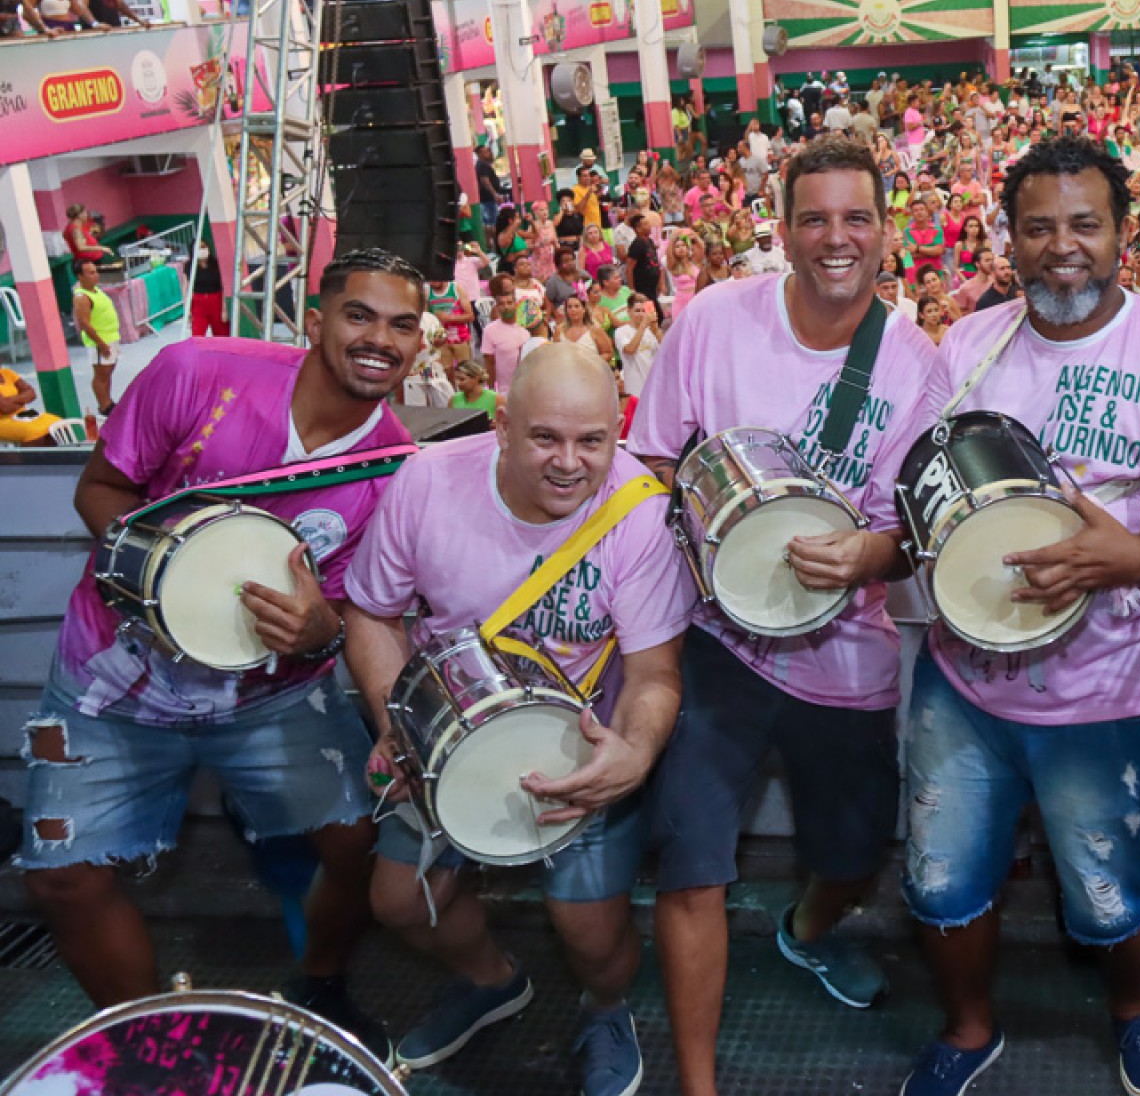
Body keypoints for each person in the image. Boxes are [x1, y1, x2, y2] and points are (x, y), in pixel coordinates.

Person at [19, 250, 426, 1061]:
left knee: (360, 843)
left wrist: (325, 634)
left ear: (420, 344)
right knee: (60, 875)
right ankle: (152, 1042)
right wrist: (173, 570)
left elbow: (356, 608)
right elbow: (97, 489)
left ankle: (320, 984)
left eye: (402, 324)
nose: (379, 338)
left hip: (273, 698)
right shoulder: (195, 371)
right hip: (110, 681)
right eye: (359, 315)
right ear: (315, 322)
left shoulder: (396, 472)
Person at [897, 135, 1140, 1096]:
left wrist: (1108, 558)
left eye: (1085, 224)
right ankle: (968, 1028)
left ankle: (1134, 1009)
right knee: (941, 874)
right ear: (1010, 237)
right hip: (964, 677)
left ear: (1124, 235)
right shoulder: (970, 345)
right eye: (1037, 227)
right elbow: (915, 486)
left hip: (1108, 687)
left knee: (1111, 879)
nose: (1061, 246)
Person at [629, 137, 937, 1096]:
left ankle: (805, 932)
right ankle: (696, 1083)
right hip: (715, 647)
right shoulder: (717, 318)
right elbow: (647, 464)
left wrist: (867, 556)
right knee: (691, 863)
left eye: (855, 218)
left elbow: (911, 532)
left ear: (887, 232)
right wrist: (693, 547)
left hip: (845, 656)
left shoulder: (915, 364)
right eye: (814, 217)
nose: (834, 238)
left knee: (853, 854)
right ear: (783, 227)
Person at [345, 343, 693, 1096]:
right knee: (400, 902)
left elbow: (655, 673)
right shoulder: (429, 481)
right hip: (445, 739)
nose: (569, 463)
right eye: (545, 438)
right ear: (501, 426)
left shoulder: (638, 510)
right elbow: (372, 614)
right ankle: (491, 980)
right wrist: (395, 724)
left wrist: (631, 754)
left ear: (618, 430)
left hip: (578, 744)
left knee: (590, 933)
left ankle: (604, 1008)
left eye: (592, 441)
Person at [72, 260, 120, 415]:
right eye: (91, 273)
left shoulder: (96, 290)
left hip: (111, 336)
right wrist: (101, 344)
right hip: (100, 341)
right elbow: (84, 323)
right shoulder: (81, 297)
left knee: (108, 371)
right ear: (80, 276)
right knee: (101, 374)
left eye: (96, 272)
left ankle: (109, 400)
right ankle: (104, 406)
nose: (96, 276)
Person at [0, 364, 62, 446]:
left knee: (57, 422)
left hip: (22, 414)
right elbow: (5, 408)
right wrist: (23, 399)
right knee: (32, 431)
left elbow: (32, 393)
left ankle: (51, 456)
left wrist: (9, 400)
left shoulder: (7, 373)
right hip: (3, 420)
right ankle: (29, 458)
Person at [448, 356, 497, 422]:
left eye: (462, 379)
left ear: (476, 378)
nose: (458, 383)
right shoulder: (453, 400)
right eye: (456, 379)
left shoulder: (496, 398)